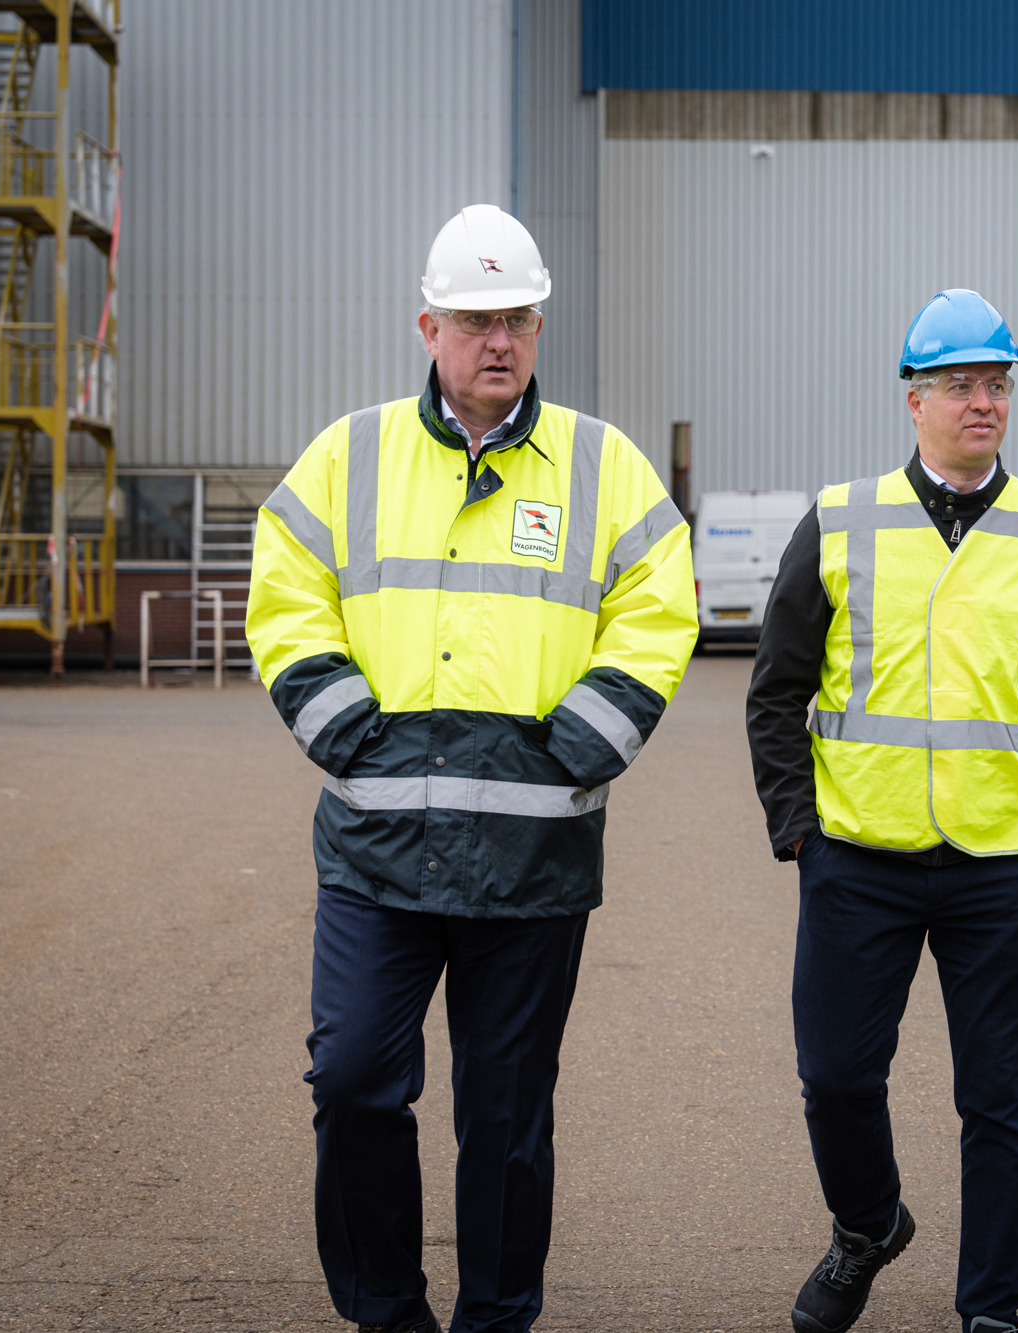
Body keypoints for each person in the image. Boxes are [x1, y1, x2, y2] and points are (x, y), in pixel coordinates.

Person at [245, 204, 697, 1333]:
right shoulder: (350, 454)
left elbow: (656, 610)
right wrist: (347, 729)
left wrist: (579, 747)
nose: (498, 339)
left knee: (502, 1116)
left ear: (539, 326)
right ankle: (386, 1309)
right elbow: (287, 584)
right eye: (473, 319)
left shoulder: (603, 465)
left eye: (517, 318)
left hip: (532, 854)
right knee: (352, 1081)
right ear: (426, 325)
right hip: (375, 842)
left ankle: (495, 1317)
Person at [746, 289, 1018, 1333]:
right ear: (911, 400)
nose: (982, 403)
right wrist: (797, 825)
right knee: (833, 1076)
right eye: (959, 384)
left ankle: (992, 1308)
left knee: (999, 1102)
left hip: (1005, 866)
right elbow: (776, 688)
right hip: (856, 858)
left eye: (996, 384)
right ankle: (866, 1223)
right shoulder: (841, 518)